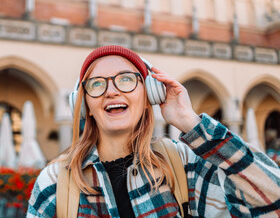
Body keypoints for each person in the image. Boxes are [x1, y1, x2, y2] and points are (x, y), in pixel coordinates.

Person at [27, 45, 280, 217]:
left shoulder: (184, 166)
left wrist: (190, 122)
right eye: (96, 84)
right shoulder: (55, 182)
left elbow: (272, 200)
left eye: (126, 79)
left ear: (149, 94)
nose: (111, 91)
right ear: (85, 106)